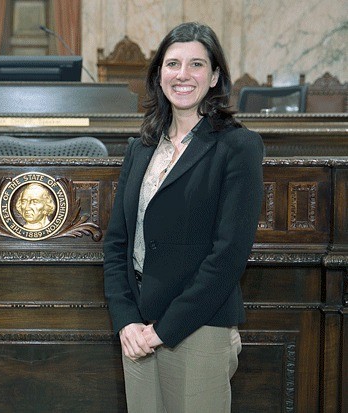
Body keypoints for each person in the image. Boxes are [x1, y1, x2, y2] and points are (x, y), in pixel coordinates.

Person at [103, 22, 264, 412]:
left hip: (198, 326)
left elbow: (228, 257)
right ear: (159, 75)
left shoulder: (237, 147)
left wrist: (164, 331)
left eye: (196, 64)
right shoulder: (141, 148)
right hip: (138, 329)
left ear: (214, 77)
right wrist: (127, 320)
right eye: (172, 63)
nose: (183, 75)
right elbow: (117, 243)